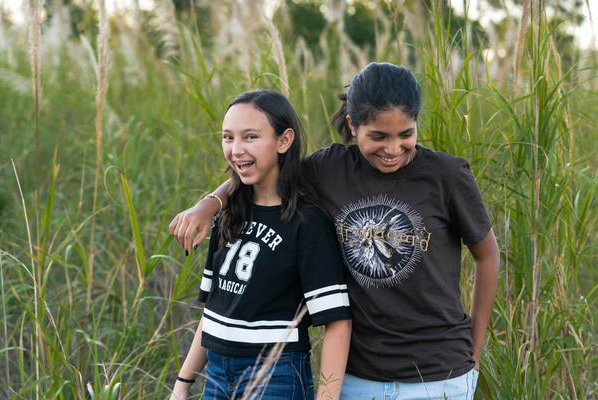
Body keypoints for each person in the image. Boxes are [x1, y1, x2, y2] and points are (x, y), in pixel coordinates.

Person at [170, 63, 500, 400]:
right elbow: (267, 168)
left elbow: (487, 257)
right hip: (358, 376)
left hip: (440, 375)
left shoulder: (447, 176)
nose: (393, 148)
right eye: (378, 136)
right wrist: (209, 205)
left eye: (406, 134)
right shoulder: (328, 168)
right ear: (353, 126)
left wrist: (473, 352)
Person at [170, 90, 352, 400]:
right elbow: (216, 313)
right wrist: (182, 385)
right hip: (216, 375)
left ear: (284, 140)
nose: (236, 149)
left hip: (275, 374)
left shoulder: (306, 223)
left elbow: (337, 321)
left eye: (250, 137)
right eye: (228, 137)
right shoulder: (228, 213)